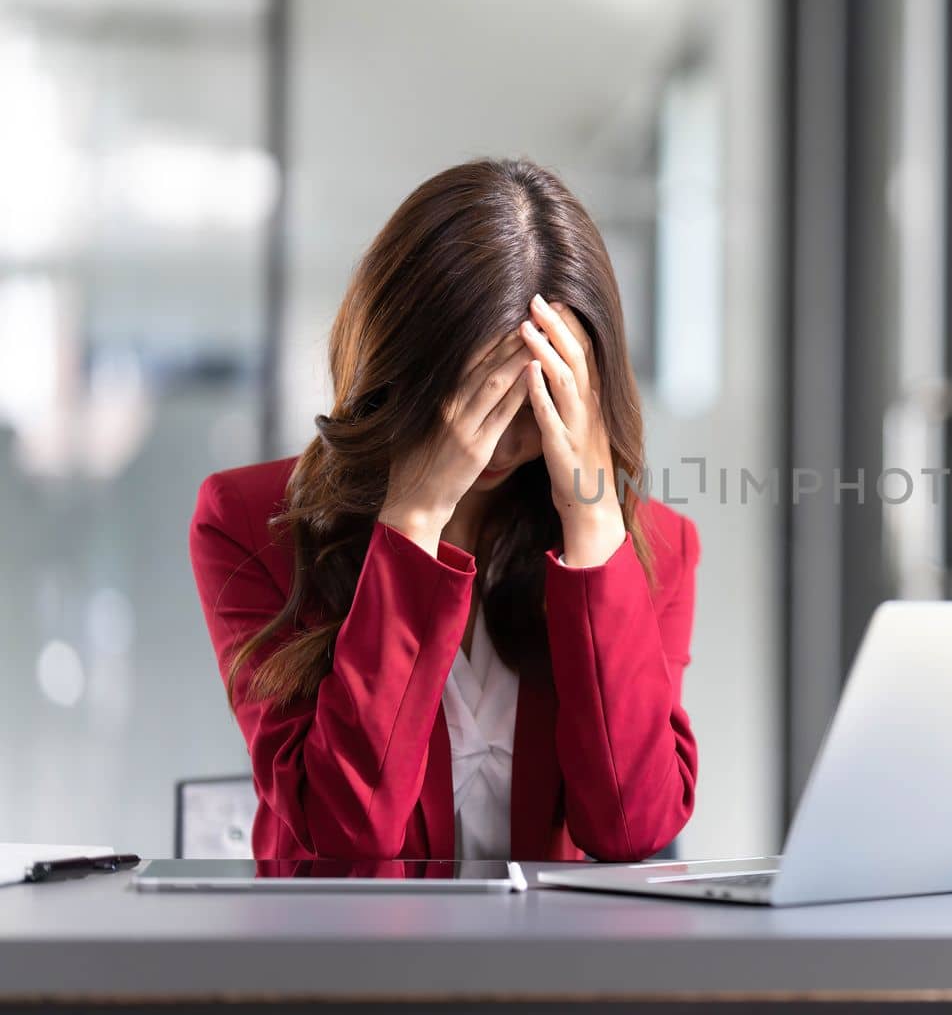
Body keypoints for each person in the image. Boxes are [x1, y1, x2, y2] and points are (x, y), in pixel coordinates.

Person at [188, 159, 698, 862]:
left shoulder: (650, 548)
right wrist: (415, 519)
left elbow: (633, 826)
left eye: (533, 399)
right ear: (403, 365)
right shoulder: (248, 524)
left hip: (558, 968)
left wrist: (590, 519)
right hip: (342, 965)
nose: (496, 434)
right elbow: (343, 833)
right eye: (472, 394)